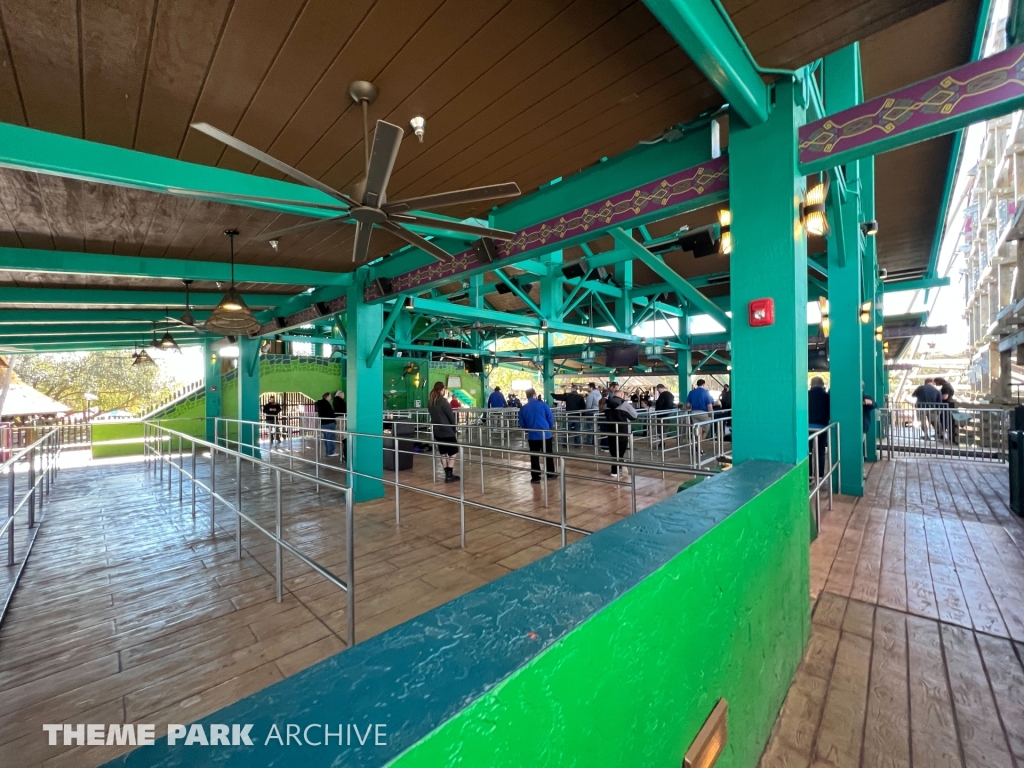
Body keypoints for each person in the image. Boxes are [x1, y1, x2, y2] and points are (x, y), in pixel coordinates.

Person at [518, 388, 555, 484]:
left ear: (527, 396)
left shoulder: (523, 408)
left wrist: (528, 429)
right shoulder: (543, 405)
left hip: (533, 436)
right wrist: (549, 427)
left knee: (534, 457)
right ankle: (550, 474)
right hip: (545, 435)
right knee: (548, 455)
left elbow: (522, 423)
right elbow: (550, 417)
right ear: (534, 394)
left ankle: (535, 477)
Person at [428, 381, 460, 483]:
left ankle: (447, 474)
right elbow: (450, 416)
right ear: (442, 390)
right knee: (454, 452)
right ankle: (449, 474)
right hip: (446, 430)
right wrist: (454, 428)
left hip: (437, 431)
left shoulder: (431, 402)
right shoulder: (443, 401)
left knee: (443, 453)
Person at [604, 383, 636, 477]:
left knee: (613, 450)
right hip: (623, 430)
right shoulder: (625, 404)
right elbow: (635, 415)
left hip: (611, 430)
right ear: (622, 395)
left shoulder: (607, 404)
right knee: (621, 450)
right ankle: (618, 468)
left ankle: (614, 470)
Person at [808, 377, 831, 476]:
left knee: (807, 452)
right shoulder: (827, 397)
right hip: (822, 427)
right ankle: (820, 476)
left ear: (811, 385)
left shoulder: (805, 395)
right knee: (820, 452)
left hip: (807, 427)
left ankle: (808, 476)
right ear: (823, 385)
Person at [685, 378, 715, 452]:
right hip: (704, 413)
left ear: (697, 384)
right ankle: (699, 446)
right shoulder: (706, 392)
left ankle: (699, 448)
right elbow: (709, 406)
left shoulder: (691, 392)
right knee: (705, 430)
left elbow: (688, 405)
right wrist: (710, 414)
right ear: (703, 384)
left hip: (694, 413)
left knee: (698, 431)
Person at [314, 392, 337, 458]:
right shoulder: (326, 403)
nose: (330, 397)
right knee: (331, 438)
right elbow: (331, 412)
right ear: (327, 397)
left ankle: (328, 451)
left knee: (326, 438)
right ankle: (330, 452)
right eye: (330, 396)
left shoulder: (319, 404)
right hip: (329, 422)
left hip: (323, 423)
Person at [934, 376, 957, 442]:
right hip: (950, 404)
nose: (936, 384)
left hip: (946, 405)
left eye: (936, 382)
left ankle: (942, 432)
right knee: (948, 419)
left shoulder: (945, 387)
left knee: (944, 419)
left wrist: (938, 396)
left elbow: (945, 397)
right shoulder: (949, 385)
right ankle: (946, 433)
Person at [332, 390, 347, 461]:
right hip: (341, 417)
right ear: (340, 394)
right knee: (342, 429)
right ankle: (342, 439)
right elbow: (344, 408)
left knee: (340, 429)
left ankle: (341, 439)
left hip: (338, 417)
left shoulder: (335, 400)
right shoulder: (339, 400)